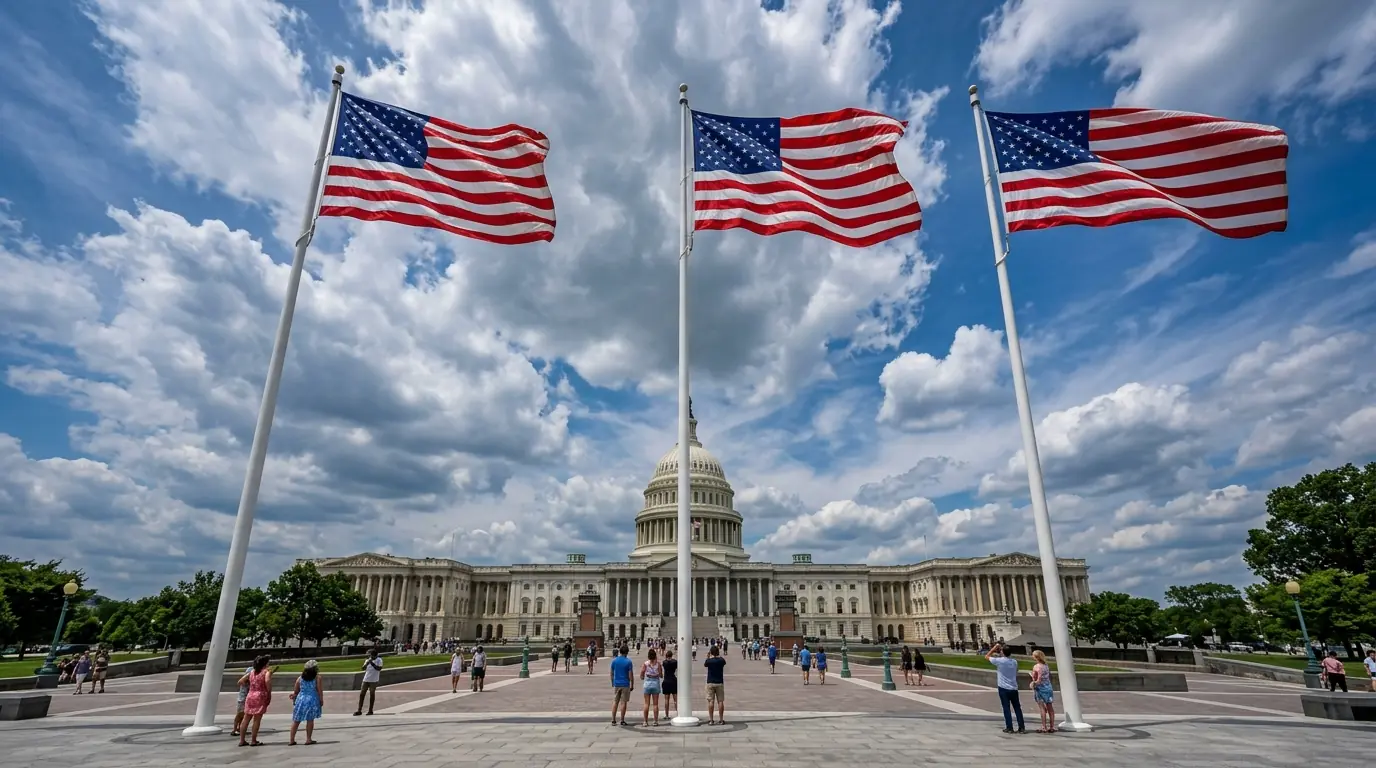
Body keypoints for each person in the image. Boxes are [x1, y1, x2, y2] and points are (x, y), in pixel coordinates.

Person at [986, 643, 1025, 734]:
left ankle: (1009, 727)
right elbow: (1016, 671)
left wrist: (994, 648)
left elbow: (987, 656)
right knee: (1017, 708)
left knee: (1006, 708)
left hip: (1003, 688)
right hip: (1014, 687)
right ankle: (1021, 727)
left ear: (1002, 652)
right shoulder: (1014, 662)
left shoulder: (999, 661)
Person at [238, 656, 275, 747]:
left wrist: (251, 684)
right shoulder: (266, 672)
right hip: (260, 695)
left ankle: (242, 740)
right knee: (257, 719)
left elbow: (240, 681)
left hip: (250, 695)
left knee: (246, 718)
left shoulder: (251, 672)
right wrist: (268, 692)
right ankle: (253, 740)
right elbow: (267, 682)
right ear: (265, 664)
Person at [288, 659, 324, 746]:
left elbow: (296, 690)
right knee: (310, 719)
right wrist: (321, 699)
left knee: (296, 720)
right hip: (312, 699)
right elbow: (319, 690)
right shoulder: (317, 677)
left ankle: (291, 740)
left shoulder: (300, 678)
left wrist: (294, 697)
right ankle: (308, 739)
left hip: (301, 699)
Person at [610, 645, 633, 726]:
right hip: (625, 684)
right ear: (627, 652)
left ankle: (613, 720)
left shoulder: (614, 661)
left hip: (617, 683)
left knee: (615, 702)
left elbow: (612, 673)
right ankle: (622, 720)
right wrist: (632, 684)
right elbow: (630, 675)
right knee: (623, 703)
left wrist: (612, 682)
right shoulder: (628, 661)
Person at [704, 644, 727, 725]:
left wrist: (708, 656)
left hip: (710, 682)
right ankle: (721, 719)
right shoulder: (721, 660)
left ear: (711, 652)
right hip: (719, 682)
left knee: (711, 701)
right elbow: (724, 662)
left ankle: (711, 720)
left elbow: (705, 664)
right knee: (720, 701)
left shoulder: (709, 661)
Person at [640, 648, 663, 726]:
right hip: (655, 684)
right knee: (655, 704)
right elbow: (661, 675)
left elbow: (642, 673)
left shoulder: (645, 663)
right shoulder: (658, 664)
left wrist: (642, 677)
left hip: (647, 684)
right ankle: (655, 721)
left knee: (646, 704)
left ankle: (645, 721)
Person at [355, 649, 382, 715]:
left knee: (372, 694)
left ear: (375, 655)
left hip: (374, 680)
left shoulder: (379, 660)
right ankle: (359, 710)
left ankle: (370, 710)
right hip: (366, 679)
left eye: (372, 656)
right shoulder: (367, 660)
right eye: (370, 656)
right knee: (362, 694)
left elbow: (379, 668)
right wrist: (367, 664)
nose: (371, 657)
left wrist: (372, 663)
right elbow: (363, 668)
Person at [231, 663, 254, 737]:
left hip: (248, 697)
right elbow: (240, 682)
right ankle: (234, 730)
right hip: (243, 698)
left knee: (244, 714)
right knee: (240, 714)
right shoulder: (249, 673)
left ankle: (240, 729)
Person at [661, 649, 678, 720]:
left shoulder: (664, 662)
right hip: (673, 680)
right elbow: (675, 663)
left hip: (666, 681)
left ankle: (667, 714)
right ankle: (678, 713)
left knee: (666, 699)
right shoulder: (675, 662)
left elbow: (666, 662)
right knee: (675, 699)